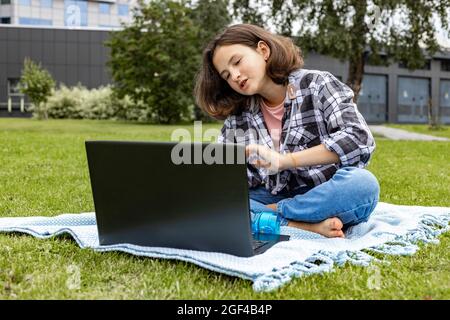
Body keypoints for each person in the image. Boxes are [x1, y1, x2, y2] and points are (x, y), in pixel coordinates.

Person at [194, 24, 380, 238]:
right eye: (226, 75)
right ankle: (300, 225)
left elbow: (358, 138)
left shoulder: (317, 83)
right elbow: (227, 179)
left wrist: (285, 161)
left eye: (237, 62)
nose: (235, 75)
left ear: (263, 50)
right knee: (219, 200)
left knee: (363, 186)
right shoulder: (239, 114)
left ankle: (276, 216)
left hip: (325, 192)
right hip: (270, 195)